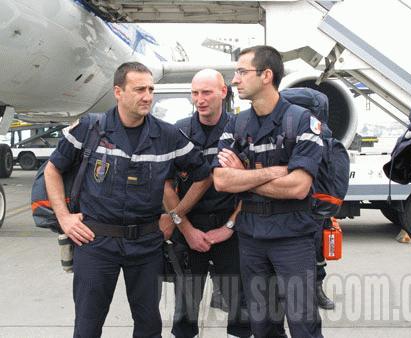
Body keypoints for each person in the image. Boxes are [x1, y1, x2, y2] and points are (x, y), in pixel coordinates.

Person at [44, 62, 211, 338]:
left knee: (148, 326)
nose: (147, 96)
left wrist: (175, 215)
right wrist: (63, 216)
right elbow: (53, 168)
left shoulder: (167, 136)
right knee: (87, 326)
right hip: (95, 241)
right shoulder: (89, 128)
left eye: (150, 89)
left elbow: (203, 176)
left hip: (146, 244)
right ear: (118, 92)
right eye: (139, 89)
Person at [212, 46, 323, 338]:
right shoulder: (236, 124)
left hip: (292, 239)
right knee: (262, 326)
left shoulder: (301, 121)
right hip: (251, 239)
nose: (234, 80)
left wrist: (244, 174)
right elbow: (222, 180)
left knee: (303, 326)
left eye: (242, 72)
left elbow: (299, 187)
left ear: (266, 76)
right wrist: (274, 173)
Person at [163, 69, 252, 338]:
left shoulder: (242, 130)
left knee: (241, 308)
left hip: (231, 230)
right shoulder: (177, 131)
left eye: (206, 92)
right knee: (185, 310)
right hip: (189, 227)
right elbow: (165, 185)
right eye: (195, 93)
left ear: (223, 92)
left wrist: (229, 227)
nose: (199, 99)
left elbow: (252, 185)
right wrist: (187, 230)